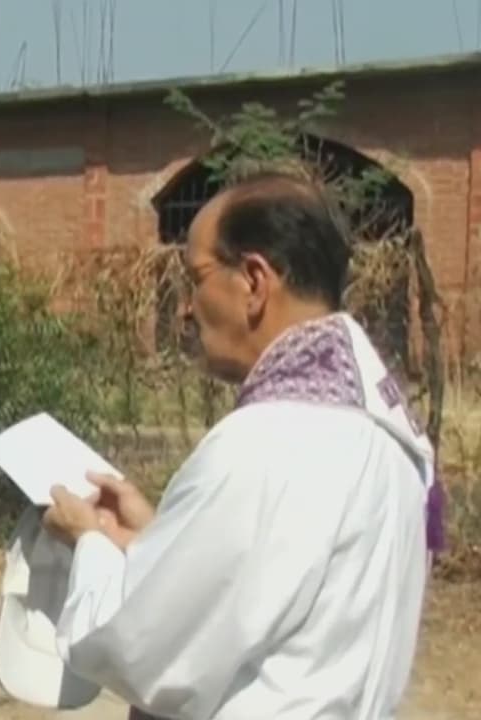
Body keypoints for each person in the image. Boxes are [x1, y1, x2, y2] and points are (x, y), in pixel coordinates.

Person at [40, 172, 442, 720]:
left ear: (253, 280)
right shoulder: (385, 430)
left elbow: (140, 650)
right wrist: (158, 540)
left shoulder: (266, 442)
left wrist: (88, 542)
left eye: (195, 279)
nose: (185, 308)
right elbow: (271, 594)